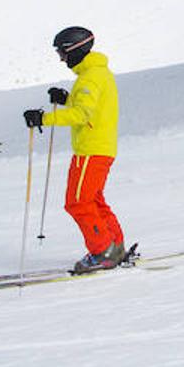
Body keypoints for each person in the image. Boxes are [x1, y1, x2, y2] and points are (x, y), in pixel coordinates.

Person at [23, 27, 126, 273]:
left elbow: (83, 114)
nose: (61, 58)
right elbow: (88, 107)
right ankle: (115, 247)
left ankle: (102, 251)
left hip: (91, 151)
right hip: (99, 148)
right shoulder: (97, 73)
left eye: (62, 52)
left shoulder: (91, 77)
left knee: (77, 203)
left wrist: (43, 119)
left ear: (74, 50)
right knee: (92, 200)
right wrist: (66, 99)